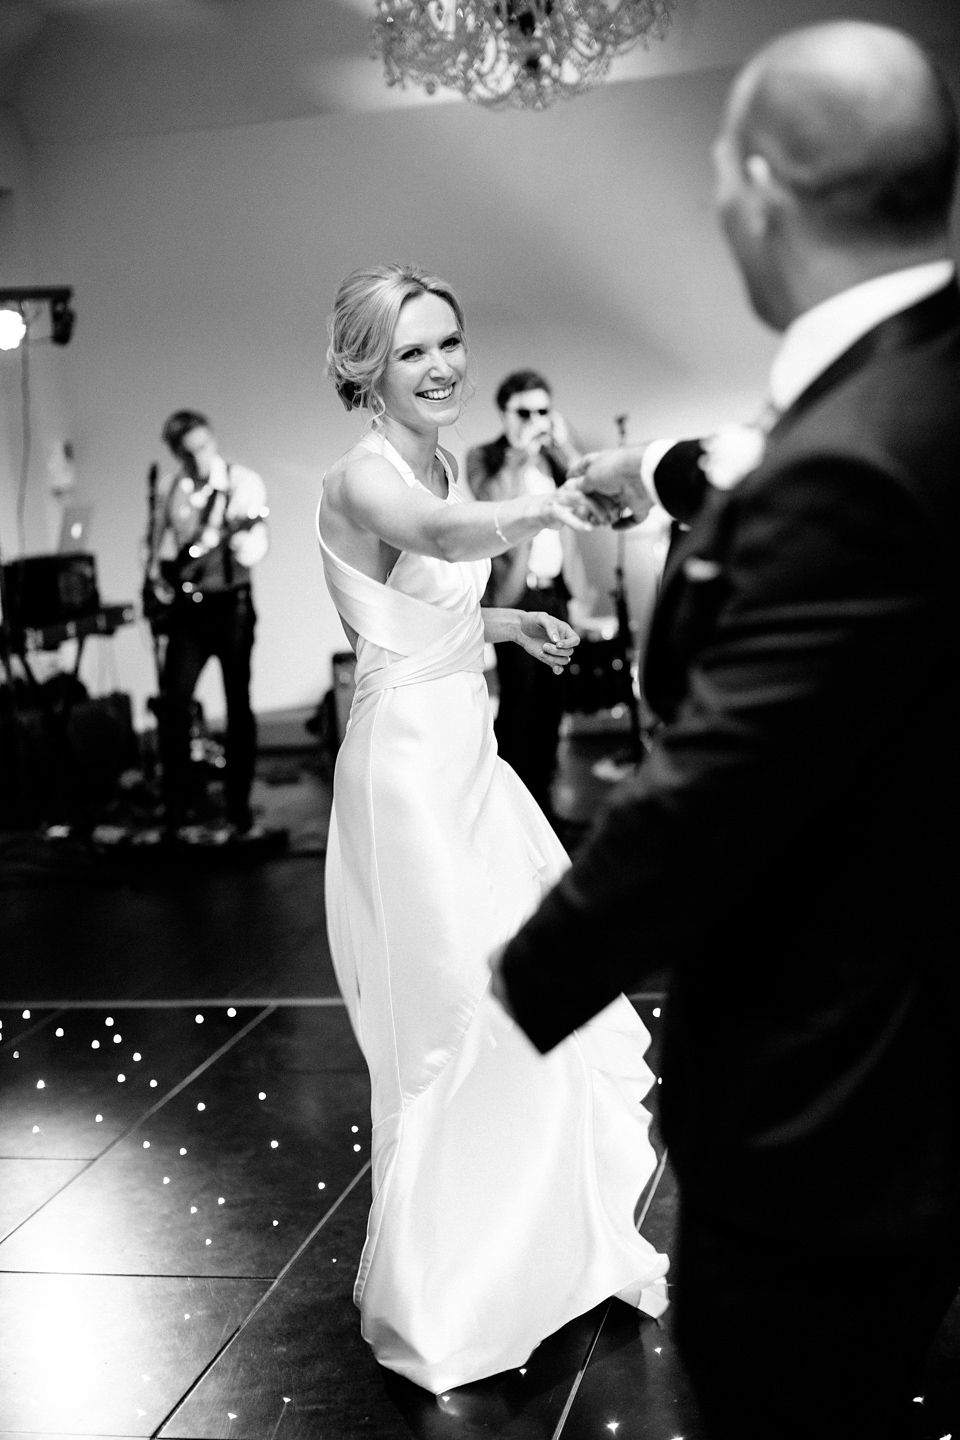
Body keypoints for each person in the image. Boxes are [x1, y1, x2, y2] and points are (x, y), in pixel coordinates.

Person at [492, 21, 960, 1440]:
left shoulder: (855, 471)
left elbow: (710, 794)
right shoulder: (922, 378)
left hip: (829, 1107)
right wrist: (683, 468)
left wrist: (528, 977)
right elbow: (818, 471)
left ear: (760, 185)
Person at [317, 263, 669, 1395]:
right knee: (448, 1018)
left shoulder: (444, 456)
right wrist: (550, 502)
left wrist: (507, 623)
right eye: (415, 349)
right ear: (366, 366)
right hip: (407, 782)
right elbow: (433, 533)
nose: (443, 365)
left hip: (470, 751)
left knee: (528, 994)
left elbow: (426, 603)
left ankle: (534, 1251)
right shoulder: (367, 475)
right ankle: (444, 1288)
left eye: (451, 341)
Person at [467, 371, 593, 821]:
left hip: (555, 594)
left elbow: (592, 491)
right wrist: (520, 452)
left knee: (552, 707)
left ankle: (546, 805)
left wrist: (562, 445)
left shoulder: (555, 460)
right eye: (525, 412)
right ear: (505, 413)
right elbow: (491, 501)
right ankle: (512, 813)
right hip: (514, 598)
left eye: (543, 411)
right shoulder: (486, 457)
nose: (535, 420)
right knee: (519, 709)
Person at [146, 410, 268, 838]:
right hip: (188, 612)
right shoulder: (170, 489)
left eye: (202, 447)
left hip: (231, 606)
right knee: (174, 705)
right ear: (175, 453)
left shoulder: (243, 483)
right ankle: (176, 809)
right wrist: (156, 582)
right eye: (186, 452)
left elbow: (254, 553)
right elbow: (158, 546)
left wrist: (233, 536)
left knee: (238, 705)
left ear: (213, 440)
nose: (197, 459)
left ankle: (238, 807)